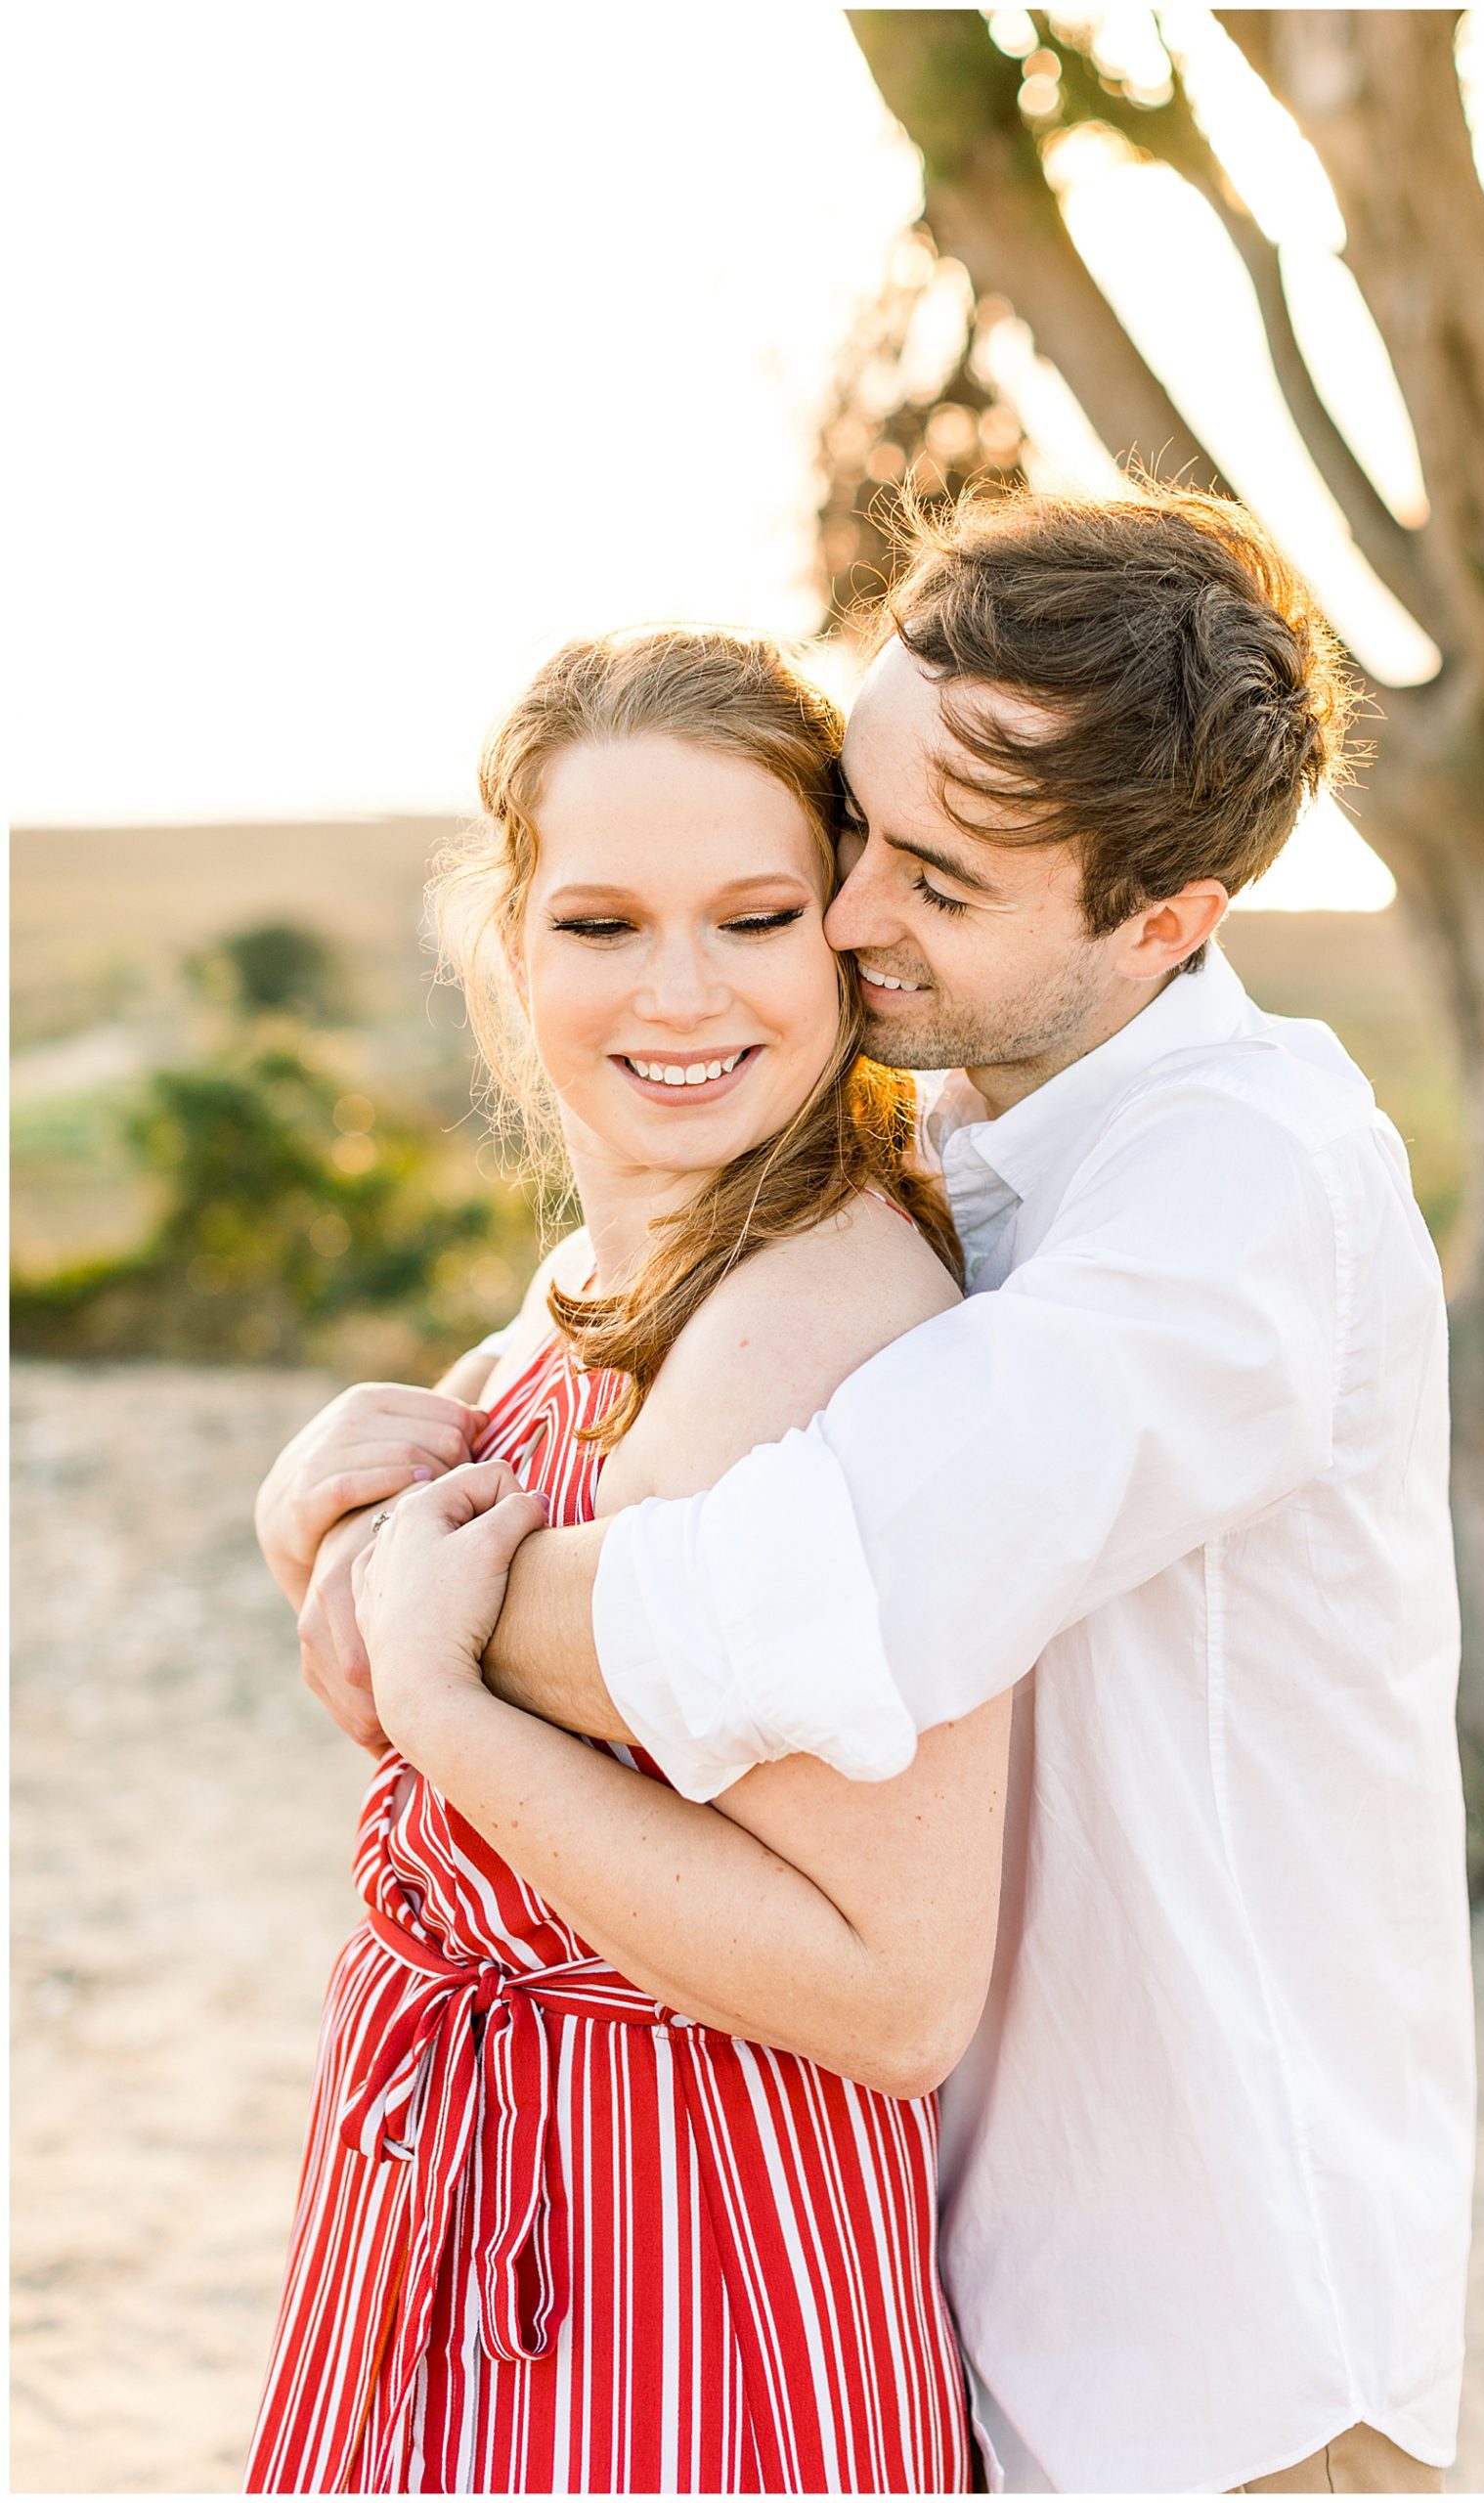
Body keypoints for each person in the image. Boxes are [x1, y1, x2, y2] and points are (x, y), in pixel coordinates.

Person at [277, 486, 1476, 2495]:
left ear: (1162, 918)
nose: (841, 921)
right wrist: (363, 1466)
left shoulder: (1241, 1189)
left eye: (925, 874)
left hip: (1217, 2359)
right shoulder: (964, 1102)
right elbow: (627, 1330)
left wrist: (431, 1625)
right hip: (970, 2288)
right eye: (852, 830)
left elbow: (800, 1595)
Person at [246, 628, 1012, 2494]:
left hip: (668, 2264)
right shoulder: (593, 1290)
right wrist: (318, 1533)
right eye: (600, 926)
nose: (681, 993)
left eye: (753, 917)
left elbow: (892, 1995)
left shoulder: (817, 1324)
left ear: (846, 930)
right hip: (473, 2185)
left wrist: (433, 1694)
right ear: (508, 949)